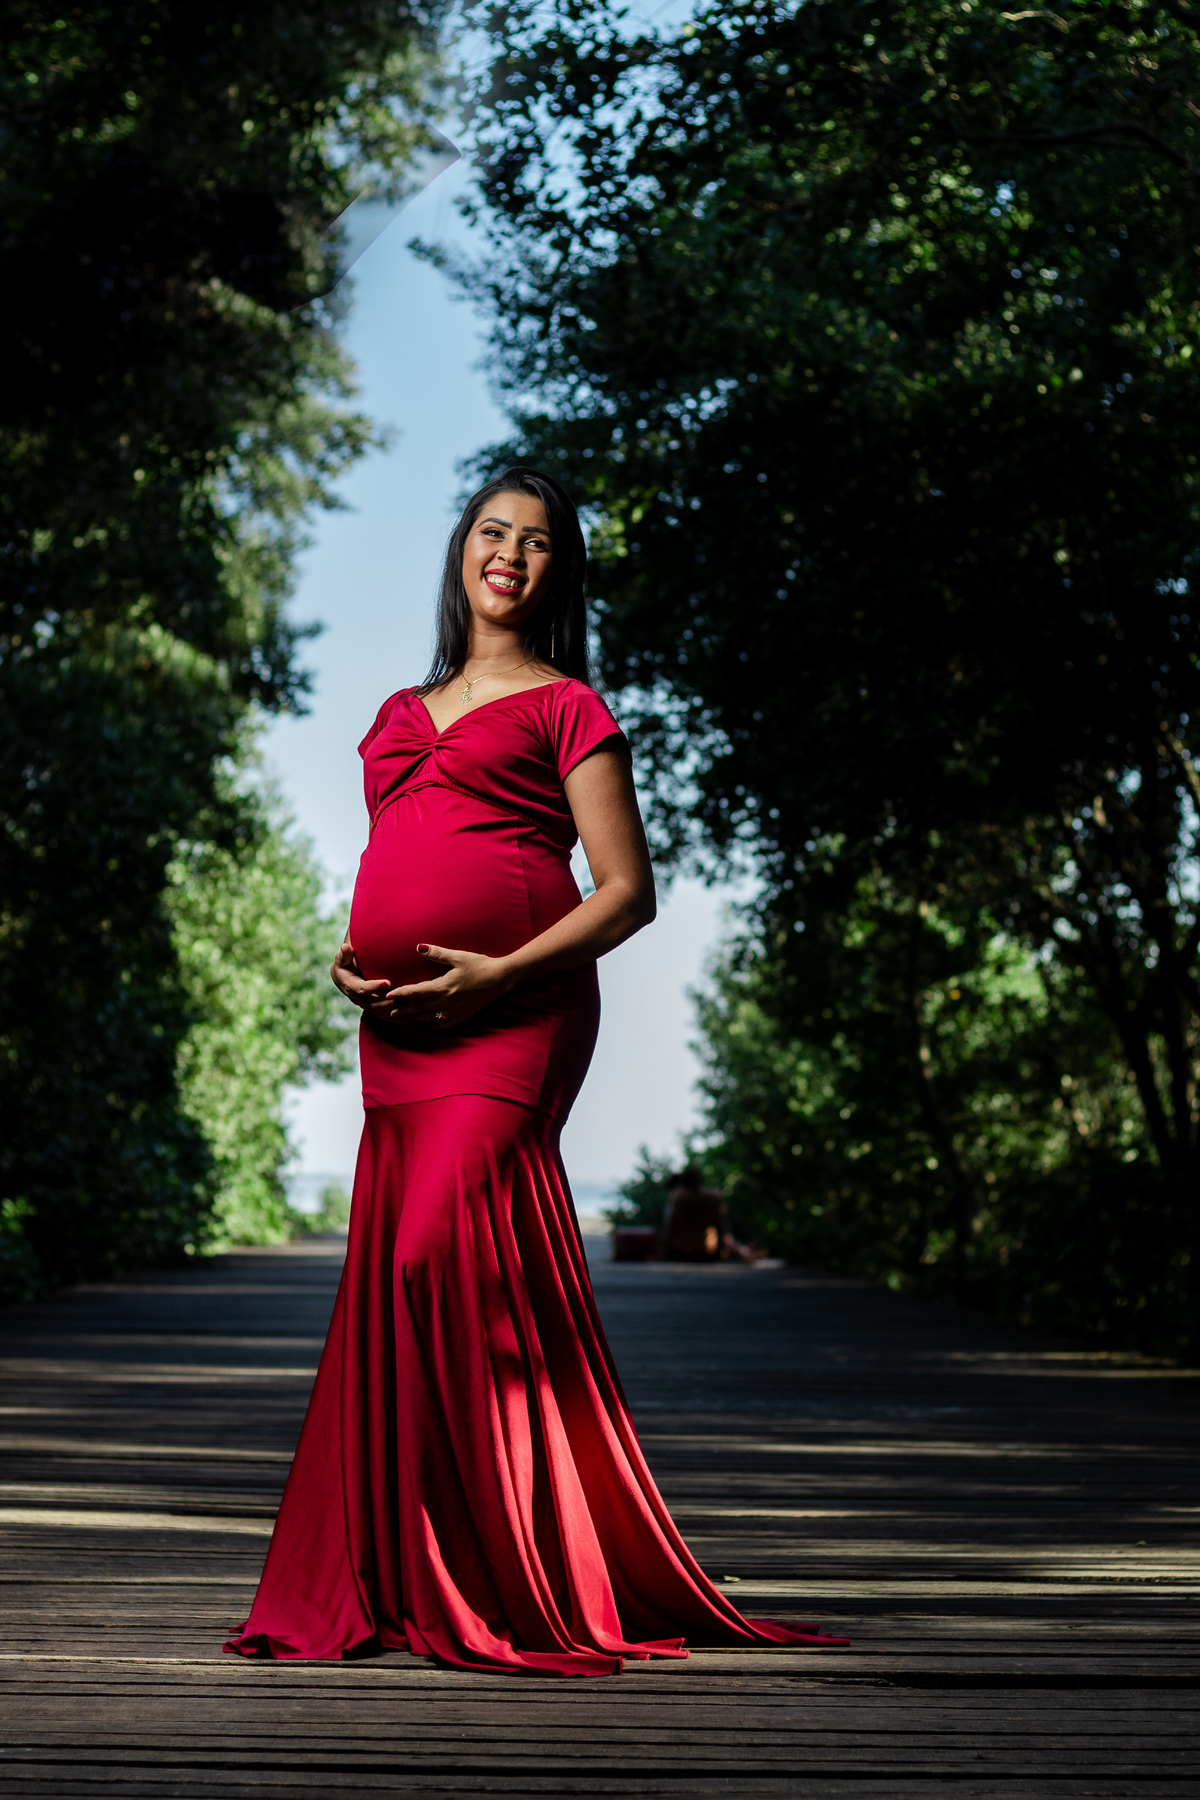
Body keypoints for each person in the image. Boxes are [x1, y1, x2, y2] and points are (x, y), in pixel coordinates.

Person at [224, 468, 846, 1675]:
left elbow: (628, 892)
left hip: (516, 1015)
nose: (508, 553)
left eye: (538, 542)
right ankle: (413, 1570)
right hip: (402, 1026)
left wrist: (497, 976)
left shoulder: (571, 706)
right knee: (404, 1279)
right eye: (491, 532)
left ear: (561, 573)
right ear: (461, 549)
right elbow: (400, 855)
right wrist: (357, 965)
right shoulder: (402, 708)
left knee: (428, 1255)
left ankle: (505, 1566)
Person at [660, 1167, 767, 1264]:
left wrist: (663, 1254)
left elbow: (669, 1229)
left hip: (682, 1253)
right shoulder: (712, 1198)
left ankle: (746, 1252)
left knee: (728, 1242)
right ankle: (747, 1253)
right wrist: (721, 1254)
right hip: (707, 1253)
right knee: (728, 1241)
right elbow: (722, 1229)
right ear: (700, 1181)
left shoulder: (677, 1199)